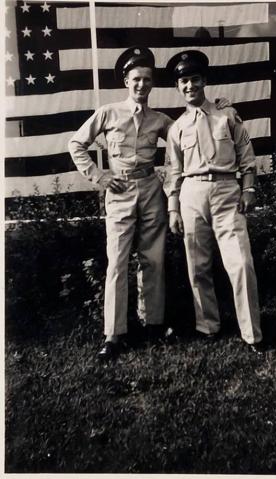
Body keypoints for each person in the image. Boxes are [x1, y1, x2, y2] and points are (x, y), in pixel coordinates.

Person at [69, 47, 231, 359]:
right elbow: (76, 143)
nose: (142, 84)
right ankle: (113, 335)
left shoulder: (160, 121)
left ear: (152, 84)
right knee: (117, 263)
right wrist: (99, 176)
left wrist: (219, 107)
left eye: (146, 79)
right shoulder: (108, 112)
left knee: (152, 260)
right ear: (126, 81)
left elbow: (192, 129)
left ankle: (153, 324)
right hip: (119, 191)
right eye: (136, 79)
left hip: (151, 191)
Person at [164, 50, 264, 353]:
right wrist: (173, 208)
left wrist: (249, 190)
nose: (189, 86)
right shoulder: (176, 128)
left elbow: (246, 157)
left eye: (194, 79)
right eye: (183, 81)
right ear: (178, 86)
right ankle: (208, 326)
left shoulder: (227, 116)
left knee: (241, 263)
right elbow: (173, 171)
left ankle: (252, 334)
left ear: (204, 81)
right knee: (198, 267)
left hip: (225, 192)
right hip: (192, 195)